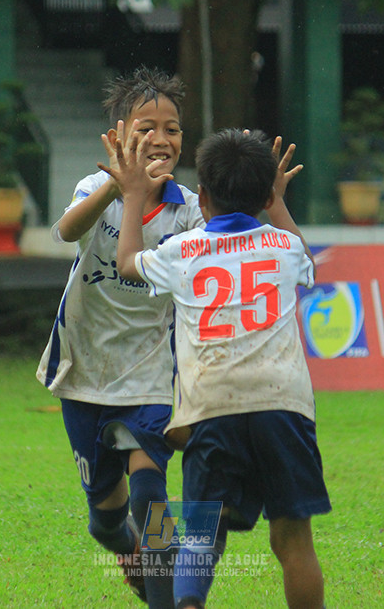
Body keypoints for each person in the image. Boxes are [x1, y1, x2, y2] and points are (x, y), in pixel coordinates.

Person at [102, 126, 331, 609]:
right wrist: (277, 203)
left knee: (203, 536)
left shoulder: (183, 251)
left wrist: (134, 195)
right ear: (267, 193)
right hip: (282, 406)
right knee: (293, 544)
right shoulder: (284, 248)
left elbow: (125, 263)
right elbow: (306, 259)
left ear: (201, 196)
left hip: (211, 409)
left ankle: (188, 603)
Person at [36, 66, 204, 608]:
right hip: (85, 369)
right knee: (105, 523)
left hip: (152, 373)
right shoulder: (95, 189)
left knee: (150, 497)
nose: (160, 138)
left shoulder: (191, 210)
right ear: (120, 133)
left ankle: (165, 600)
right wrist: (118, 183)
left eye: (173, 128)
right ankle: (130, 556)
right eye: (147, 127)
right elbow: (64, 231)